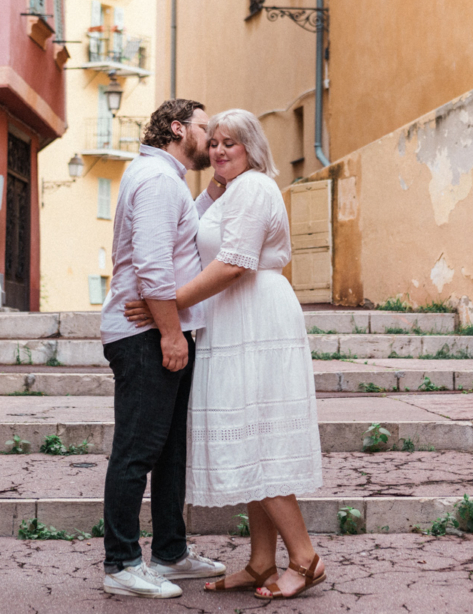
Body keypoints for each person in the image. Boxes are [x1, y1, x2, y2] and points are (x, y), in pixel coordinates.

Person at [127, 109, 327, 600]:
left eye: (230, 143)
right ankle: (262, 563)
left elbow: (235, 263)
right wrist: (213, 190)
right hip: (231, 320)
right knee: (249, 439)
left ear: (252, 148)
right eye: (212, 142)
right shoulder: (231, 191)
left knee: (262, 440)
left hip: (257, 316)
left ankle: (305, 559)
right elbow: (193, 228)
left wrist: (165, 307)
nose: (217, 150)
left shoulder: (257, 188)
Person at [100, 99, 226, 599]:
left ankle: (170, 554)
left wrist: (213, 191)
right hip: (146, 336)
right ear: (177, 128)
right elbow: (153, 264)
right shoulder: (156, 180)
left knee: (170, 451)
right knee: (137, 450)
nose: (211, 136)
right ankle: (122, 563)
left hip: (160, 327)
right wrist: (170, 333)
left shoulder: (166, 179)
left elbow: (178, 237)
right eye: (203, 128)